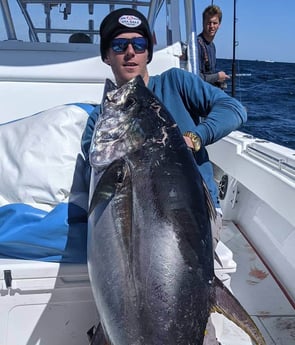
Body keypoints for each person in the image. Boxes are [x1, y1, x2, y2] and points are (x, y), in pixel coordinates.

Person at [82, 8, 247, 344]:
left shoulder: (177, 82)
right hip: (131, 222)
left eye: (139, 43)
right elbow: (96, 166)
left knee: (180, 296)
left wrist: (195, 136)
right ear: (105, 54)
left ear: (148, 51)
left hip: (193, 219)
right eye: (119, 45)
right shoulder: (101, 117)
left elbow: (234, 109)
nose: (130, 52)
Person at [198, 5, 230, 89]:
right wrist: (217, 77)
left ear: (219, 25)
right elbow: (195, 77)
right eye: (209, 23)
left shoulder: (212, 46)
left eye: (215, 23)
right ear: (203, 23)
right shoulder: (196, 45)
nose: (212, 26)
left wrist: (219, 79)